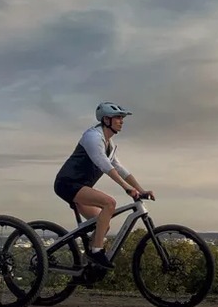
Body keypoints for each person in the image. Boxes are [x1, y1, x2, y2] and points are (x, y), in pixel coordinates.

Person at [53, 101, 153, 269]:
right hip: (68, 184)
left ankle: (86, 267)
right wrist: (126, 188)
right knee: (109, 203)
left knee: (103, 224)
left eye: (122, 118)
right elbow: (105, 165)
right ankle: (96, 251)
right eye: (118, 118)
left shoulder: (109, 144)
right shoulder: (93, 137)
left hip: (81, 187)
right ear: (106, 120)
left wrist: (141, 190)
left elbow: (120, 169)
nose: (122, 121)